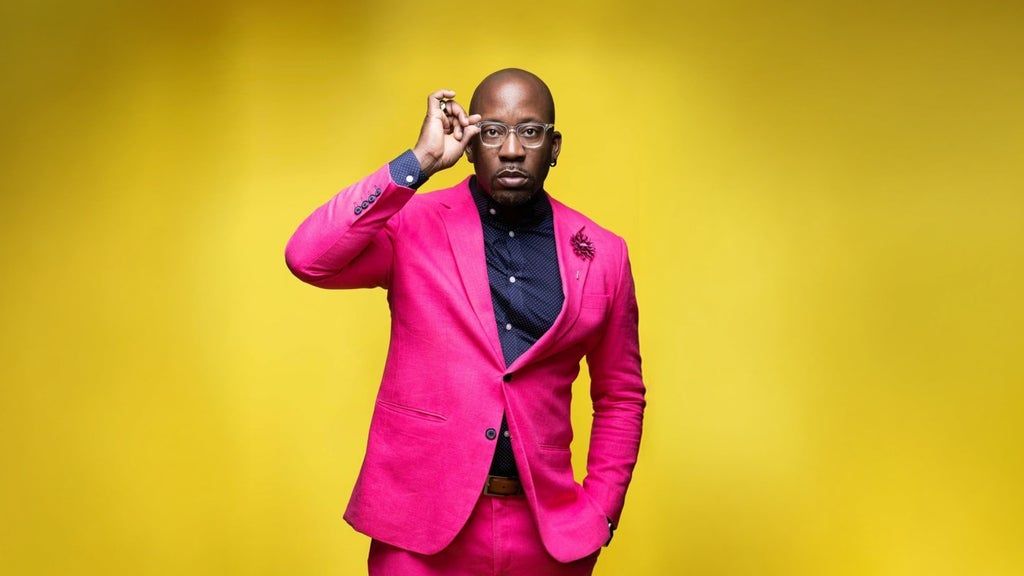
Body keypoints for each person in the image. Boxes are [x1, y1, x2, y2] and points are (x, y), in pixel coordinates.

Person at [284, 68, 646, 576]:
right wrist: (418, 162)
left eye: (530, 131)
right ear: (471, 144)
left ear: (555, 147)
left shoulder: (605, 253)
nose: (512, 149)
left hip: (547, 537)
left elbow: (620, 395)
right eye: (493, 132)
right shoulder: (412, 225)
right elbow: (308, 258)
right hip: (419, 532)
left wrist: (601, 511)